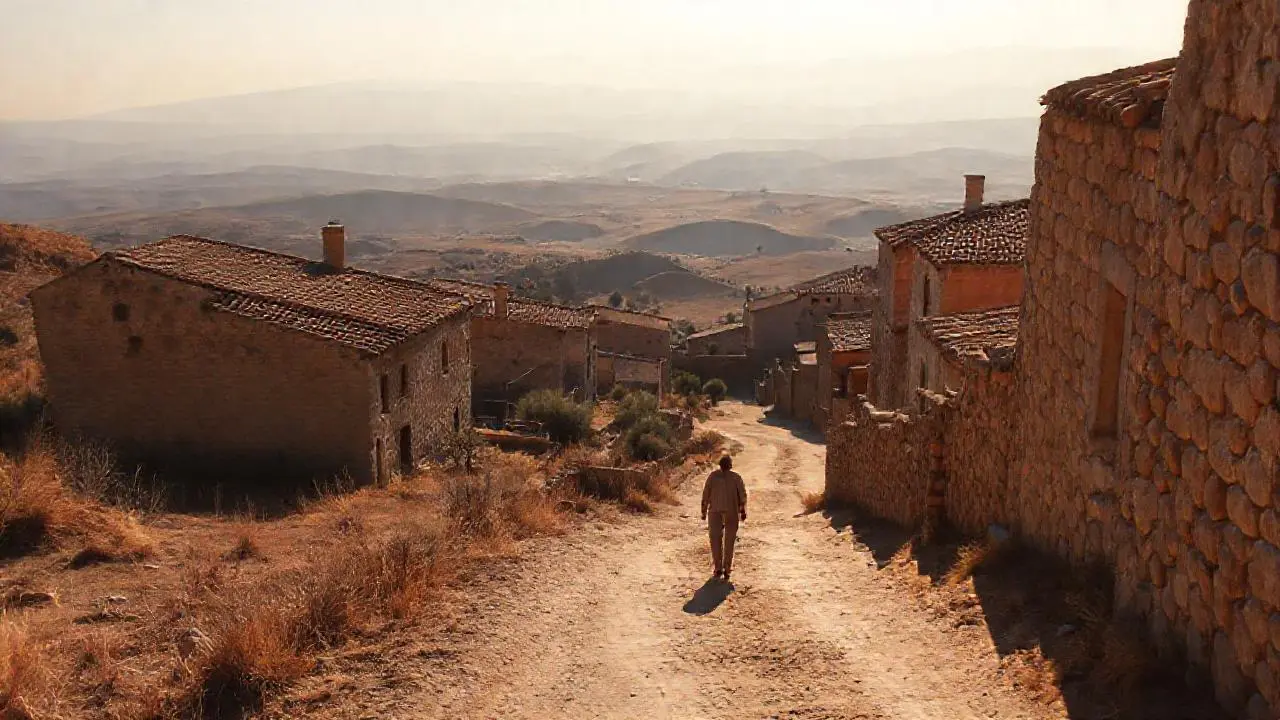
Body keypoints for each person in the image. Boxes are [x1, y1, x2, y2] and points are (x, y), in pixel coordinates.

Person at [701, 454, 747, 581]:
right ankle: (724, 568)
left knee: (717, 539)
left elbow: (706, 494)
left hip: (717, 512)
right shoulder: (735, 477)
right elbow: (742, 496)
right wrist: (742, 511)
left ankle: (720, 568)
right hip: (727, 512)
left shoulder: (714, 477)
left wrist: (703, 511)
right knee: (727, 540)